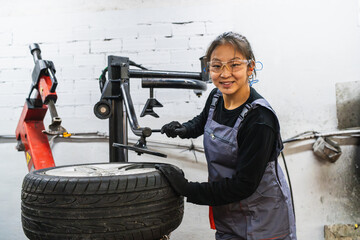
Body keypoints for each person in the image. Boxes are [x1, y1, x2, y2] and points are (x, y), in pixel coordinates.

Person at [156, 31, 296, 240]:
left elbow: (244, 185)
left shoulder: (259, 120)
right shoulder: (216, 97)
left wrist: (187, 189)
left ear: (250, 67)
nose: (224, 73)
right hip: (229, 212)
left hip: (264, 220)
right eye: (217, 65)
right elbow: (204, 121)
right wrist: (183, 129)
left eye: (234, 64)